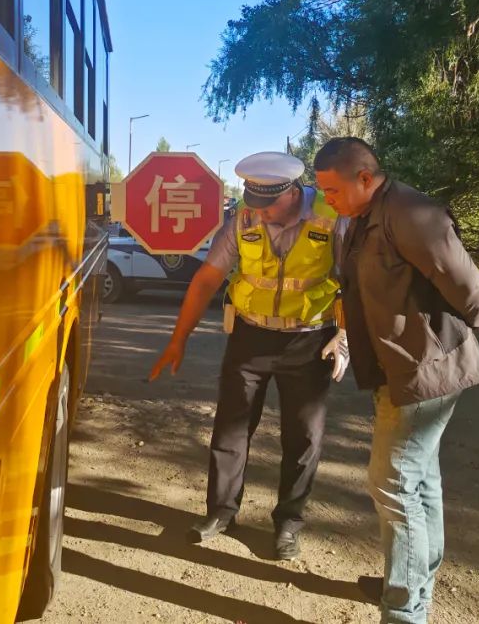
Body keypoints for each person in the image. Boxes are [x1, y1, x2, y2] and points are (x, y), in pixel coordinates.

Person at [313, 137, 479, 624]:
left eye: (331, 190)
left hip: (422, 371)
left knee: (391, 482)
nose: (326, 199)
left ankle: (406, 606)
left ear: (364, 178)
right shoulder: (363, 217)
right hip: (398, 368)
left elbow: (469, 287)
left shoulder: (410, 211)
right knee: (419, 479)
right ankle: (415, 575)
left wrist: (445, 339)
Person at [149, 151, 350, 560]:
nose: (260, 214)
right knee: (230, 429)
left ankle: (289, 524)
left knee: (304, 437)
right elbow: (207, 277)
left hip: (310, 341)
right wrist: (179, 337)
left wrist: (343, 336)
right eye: (254, 203)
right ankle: (221, 513)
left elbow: (354, 282)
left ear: (294, 192)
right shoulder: (243, 217)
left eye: (269, 205)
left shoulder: (332, 217)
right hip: (250, 337)